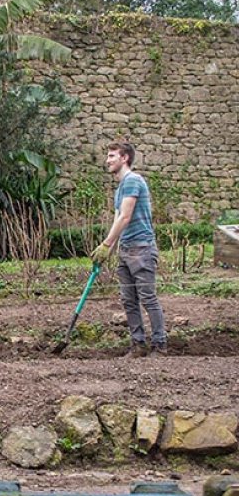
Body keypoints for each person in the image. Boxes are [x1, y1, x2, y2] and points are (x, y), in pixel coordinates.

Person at [92, 139, 167, 357]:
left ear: (125, 158)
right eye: (108, 156)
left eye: (112, 156)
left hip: (142, 248)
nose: (107, 160)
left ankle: (159, 345)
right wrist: (108, 247)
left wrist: (106, 244)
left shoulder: (133, 181)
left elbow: (125, 216)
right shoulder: (120, 188)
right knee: (128, 299)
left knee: (147, 298)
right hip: (126, 249)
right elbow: (117, 219)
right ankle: (138, 344)